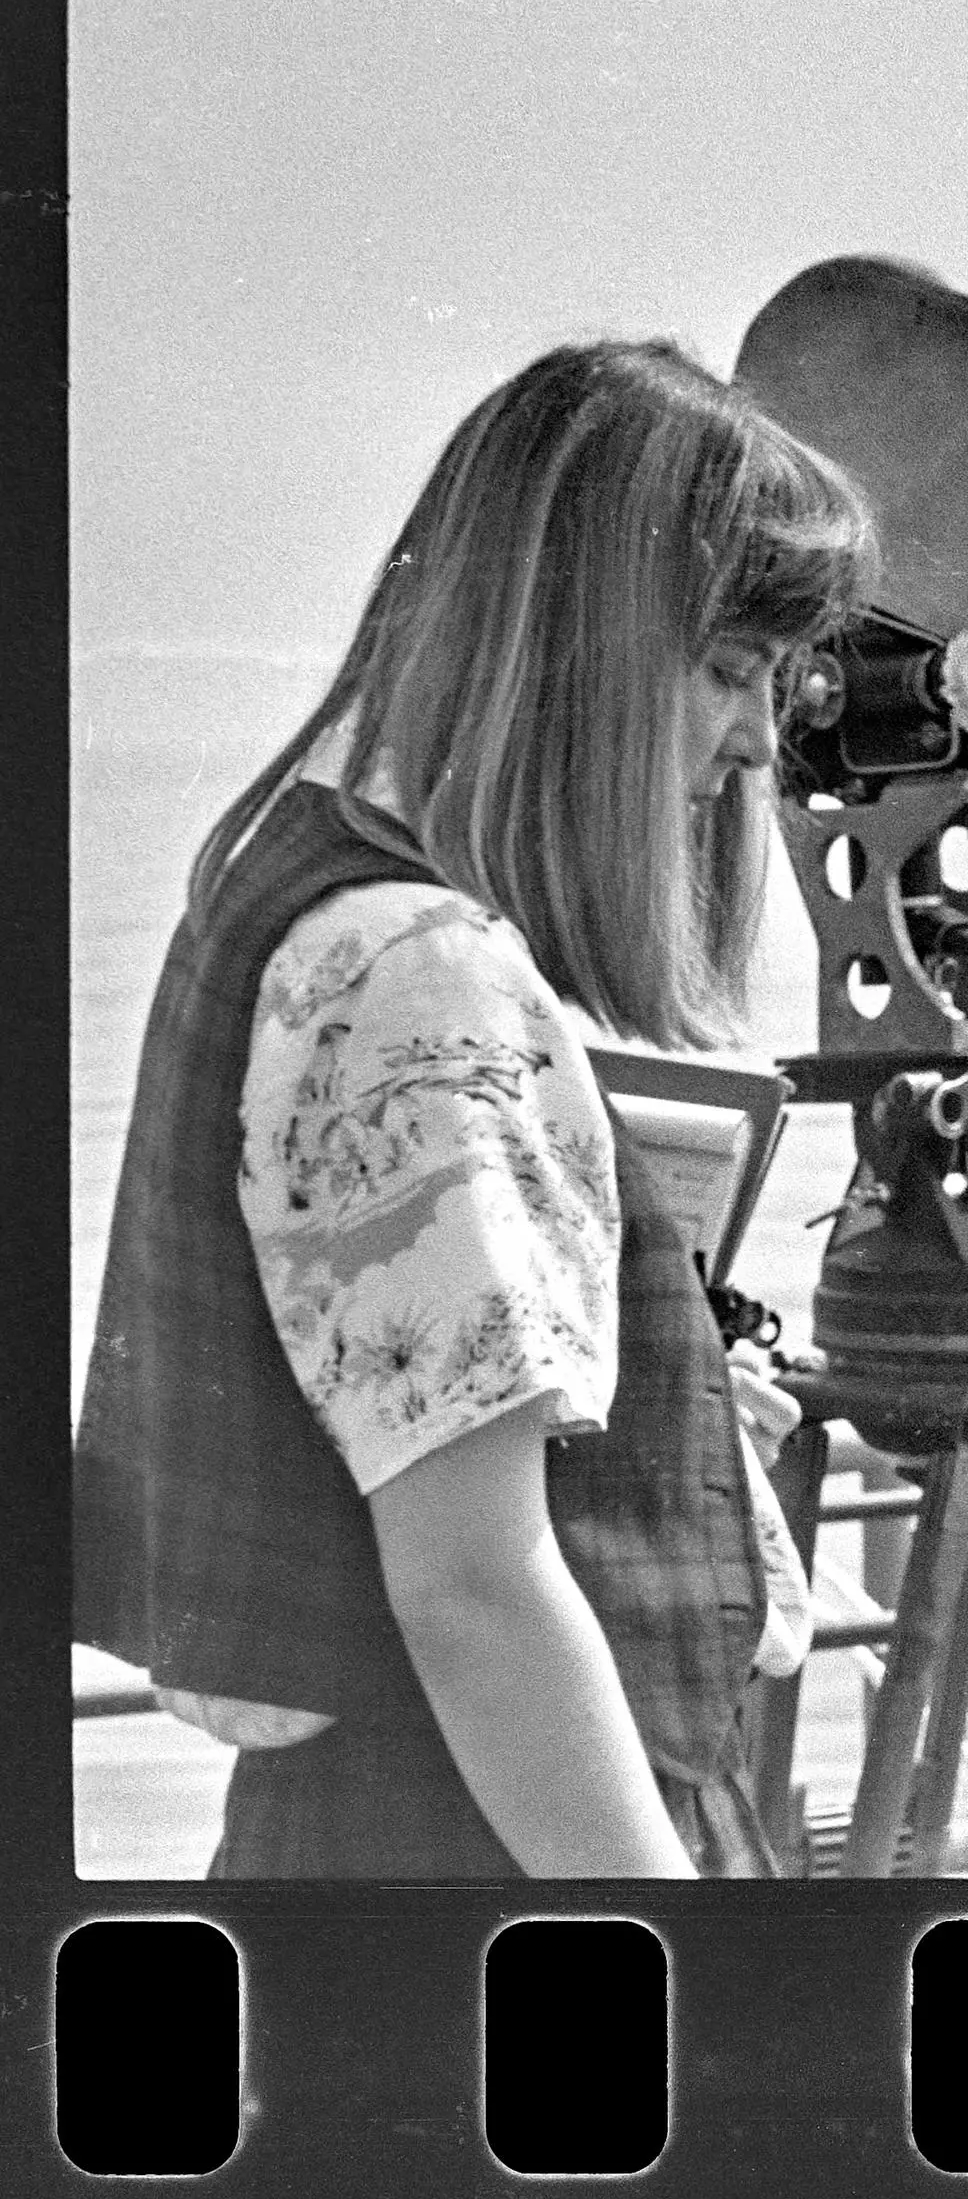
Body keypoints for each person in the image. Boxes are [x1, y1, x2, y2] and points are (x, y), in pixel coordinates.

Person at [74, 340, 875, 1877]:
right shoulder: (419, 975)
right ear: (583, 648)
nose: (760, 740)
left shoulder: (325, 904)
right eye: (726, 668)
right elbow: (475, 1590)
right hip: (471, 1852)